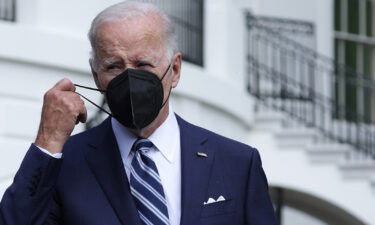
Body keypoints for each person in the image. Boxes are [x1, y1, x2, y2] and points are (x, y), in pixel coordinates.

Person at [0, 1, 277, 225]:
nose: (130, 78)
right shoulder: (65, 164)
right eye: (113, 67)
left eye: (143, 64)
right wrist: (48, 142)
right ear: (96, 76)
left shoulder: (237, 163)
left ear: (175, 70)